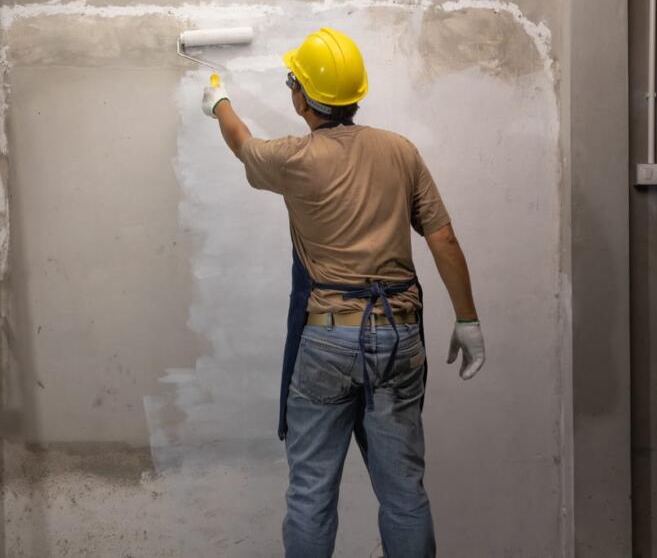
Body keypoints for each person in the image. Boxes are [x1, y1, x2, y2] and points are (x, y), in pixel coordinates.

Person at [199, 27, 486, 558]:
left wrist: (218, 100)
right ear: (354, 95)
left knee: (311, 495)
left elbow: (242, 143)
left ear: (302, 98)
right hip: (398, 340)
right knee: (404, 496)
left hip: (328, 340)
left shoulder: (295, 158)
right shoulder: (401, 151)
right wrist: (467, 319)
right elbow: (443, 237)